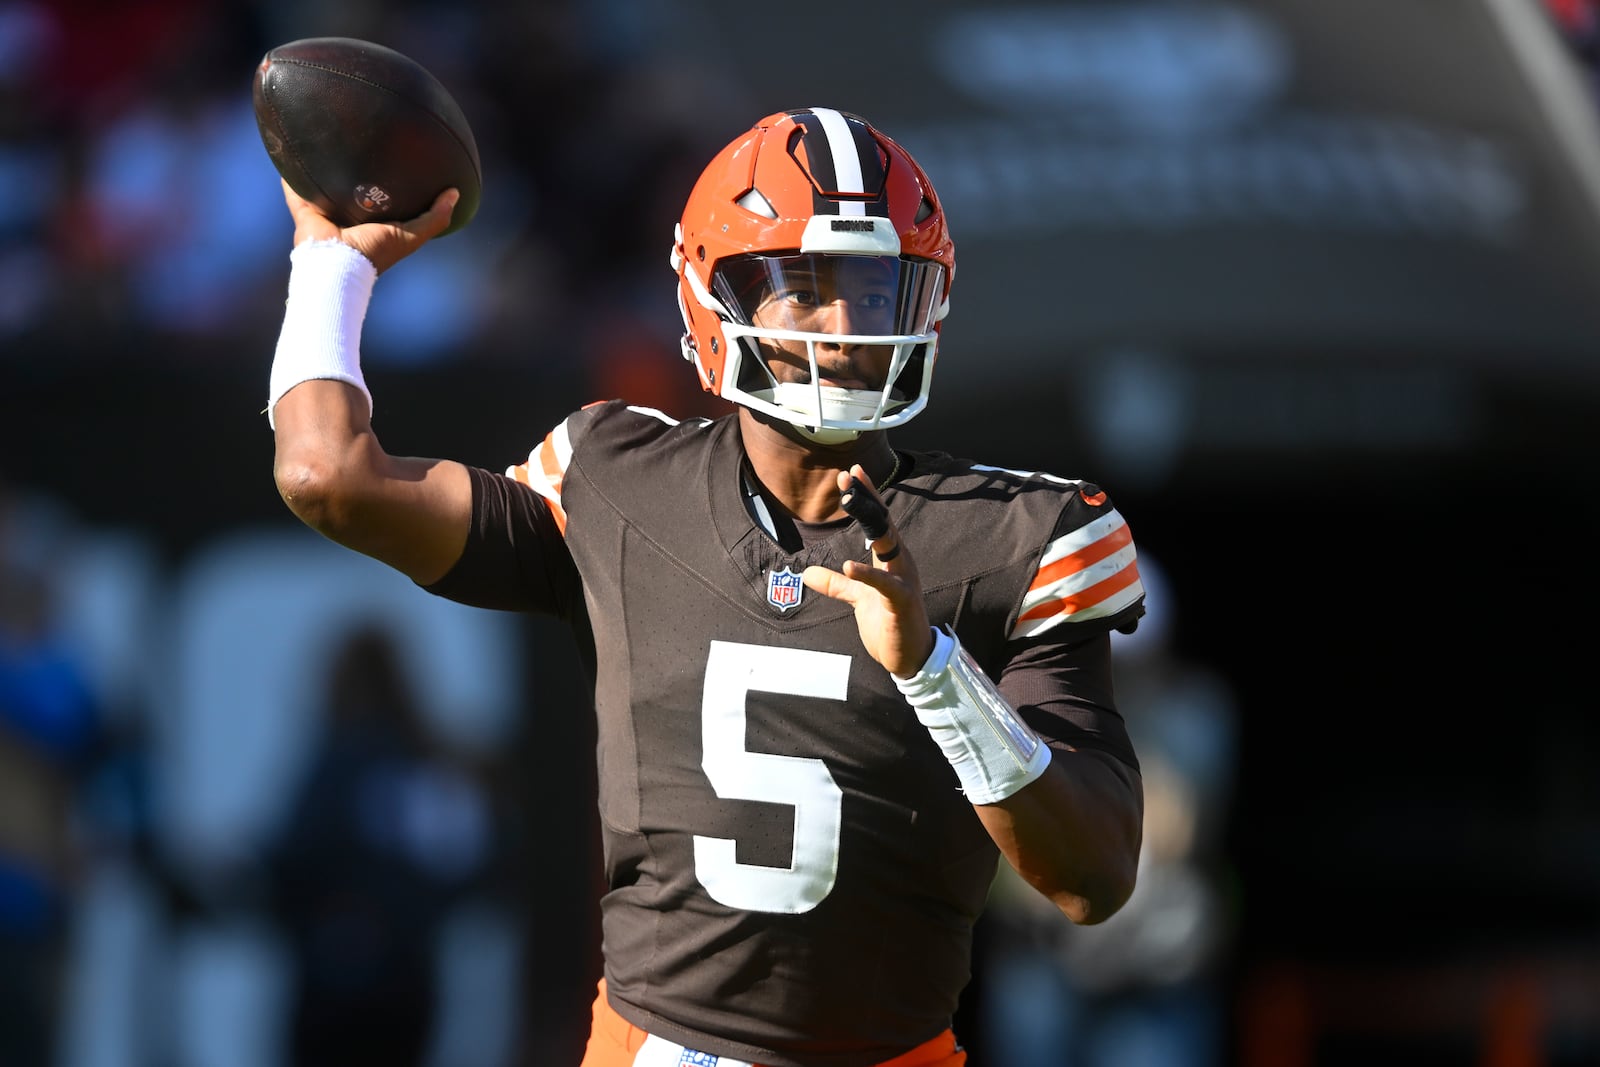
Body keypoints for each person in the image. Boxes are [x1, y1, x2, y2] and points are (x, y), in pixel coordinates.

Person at [265, 107, 1148, 1067]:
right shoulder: (614, 480)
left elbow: (1091, 879)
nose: (848, 326)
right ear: (711, 297)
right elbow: (328, 478)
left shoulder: (1018, 534)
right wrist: (328, 262)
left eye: (874, 287)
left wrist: (936, 670)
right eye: (804, 289)